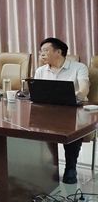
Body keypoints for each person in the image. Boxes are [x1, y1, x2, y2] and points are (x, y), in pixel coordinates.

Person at [34, 37, 91, 184]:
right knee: (38, 124)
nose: (42, 54)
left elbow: (84, 89)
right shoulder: (40, 71)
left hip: (73, 110)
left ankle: (70, 167)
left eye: (45, 51)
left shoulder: (79, 67)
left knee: (72, 128)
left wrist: (76, 96)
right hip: (49, 111)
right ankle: (52, 165)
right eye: (41, 52)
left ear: (58, 52)